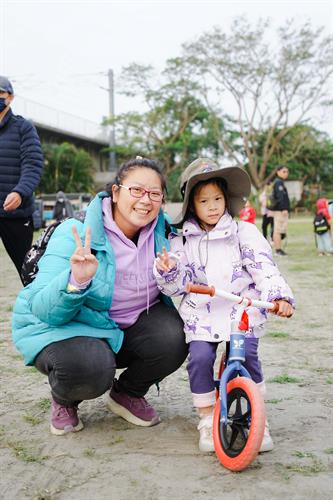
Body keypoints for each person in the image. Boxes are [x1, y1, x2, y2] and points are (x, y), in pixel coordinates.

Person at [12, 157, 188, 435]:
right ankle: (64, 400)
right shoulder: (77, 232)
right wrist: (76, 280)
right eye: (137, 190)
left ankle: (127, 393)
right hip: (66, 326)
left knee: (176, 336)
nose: (146, 200)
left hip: (124, 325)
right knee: (92, 367)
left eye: (155, 194)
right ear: (116, 192)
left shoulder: (163, 233)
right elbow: (43, 309)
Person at [153, 158, 294, 453]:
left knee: (248, 358)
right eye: (204, 200)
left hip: (240, 310)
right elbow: (179, 283)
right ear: (192, 204)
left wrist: (278, 296)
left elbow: (263, 267)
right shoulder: (182, 239)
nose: (213, 206)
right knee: (201, 358)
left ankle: (257, 416)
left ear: (227, 199)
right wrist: (168, 269)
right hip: (202, 312)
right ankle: (206, 417)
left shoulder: (244, 232)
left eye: (218, 198)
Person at [0, 76, 44, 281]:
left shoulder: (23, 127)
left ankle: (39, 310)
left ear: (10, 97)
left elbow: (33, 164)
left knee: (29, 271)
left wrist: (20, 191)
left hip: (16, 214)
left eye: (1, 93)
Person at [271, 166, 290, 256]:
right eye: (284, 171)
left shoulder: (280, 182)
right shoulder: (278, 182)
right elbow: (280, 197)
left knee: (280, 230)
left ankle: (279, 249)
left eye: (287, 171)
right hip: (279, 211)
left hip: (280, 210)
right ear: (278, 172)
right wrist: (283, 208)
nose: (286, 173)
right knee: (278, 230)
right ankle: (278, 250)